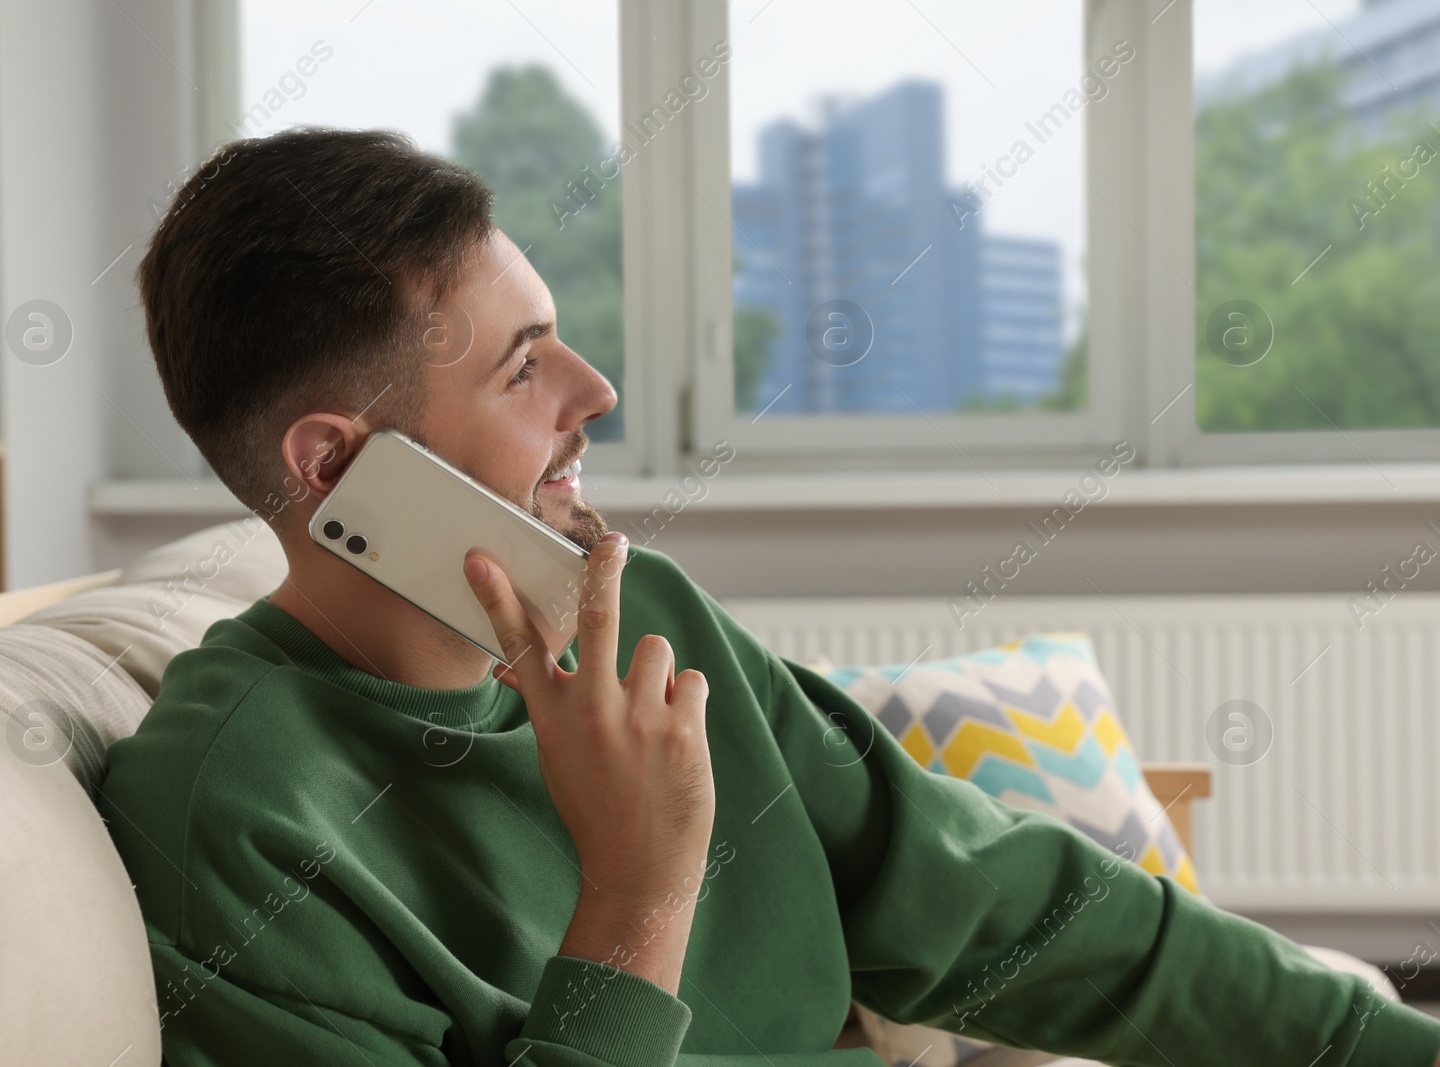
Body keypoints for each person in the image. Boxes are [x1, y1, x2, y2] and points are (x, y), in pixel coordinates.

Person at [95, 126, 1440, 1067]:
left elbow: (1006, 907)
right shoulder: (237, 821)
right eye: (523, 372)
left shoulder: (642, 616)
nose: (596, 397)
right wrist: (637, 886)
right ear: (337, 468)